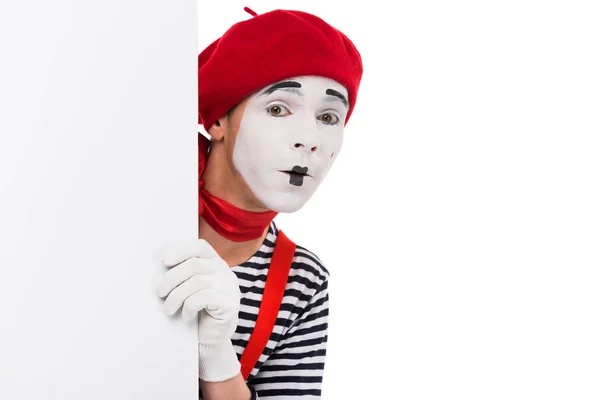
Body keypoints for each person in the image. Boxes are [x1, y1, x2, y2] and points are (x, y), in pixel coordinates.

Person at [156, 7, 363, 400]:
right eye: (277, 109)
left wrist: (217, 358)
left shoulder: (302, 282)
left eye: (329, 116)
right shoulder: (132, 212)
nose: (310, 139)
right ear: (218, 120)